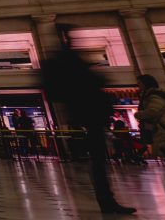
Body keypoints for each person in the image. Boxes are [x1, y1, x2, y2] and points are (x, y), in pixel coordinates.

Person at [43, 32, 136, 214]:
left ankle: (107, 199)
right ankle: (106, 200)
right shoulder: (67, 64)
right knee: (98, 160)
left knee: (98, 160)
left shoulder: (66, 63)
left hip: (90, 115)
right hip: (90, 115)